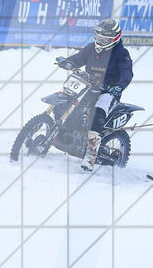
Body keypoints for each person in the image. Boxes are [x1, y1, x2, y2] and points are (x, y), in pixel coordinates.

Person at [54, 19, 134, 171]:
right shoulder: (91, 48)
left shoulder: (121, 53)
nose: (101, 41)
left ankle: (90, 155)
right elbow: (78, 58)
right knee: (74, 113)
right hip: (91, 88)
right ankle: (64, 139)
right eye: (99, 37)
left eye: (105, 39)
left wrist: (118, 87)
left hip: (109, 92)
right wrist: (67, 62)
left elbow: (127, 72)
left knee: (97, 116)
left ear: (114, 39)